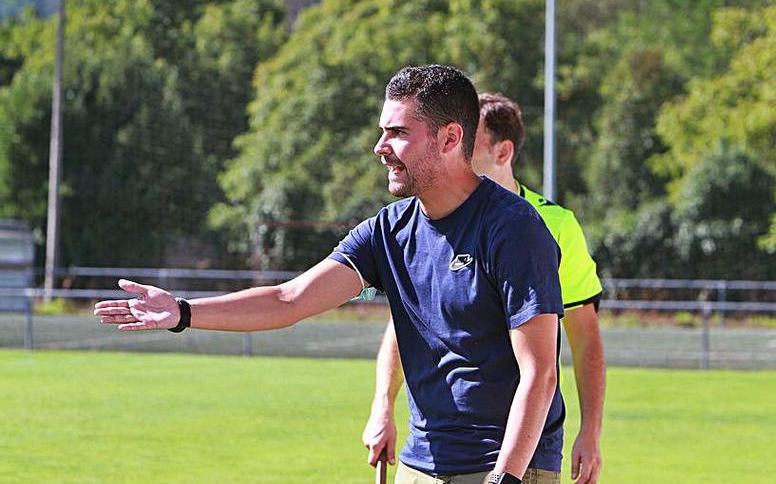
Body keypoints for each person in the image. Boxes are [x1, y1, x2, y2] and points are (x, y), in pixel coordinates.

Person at [94, 65, 565, 484]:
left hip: (507, 466)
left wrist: (506, 479)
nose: (380, 148)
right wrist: (182, 311)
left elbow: (539, 371)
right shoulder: (388, 231)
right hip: (422, 463)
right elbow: (289, 300)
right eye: (382, 131)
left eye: (398, 133)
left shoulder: (514, 229)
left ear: (449, 138)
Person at [362, 93, 606, 484]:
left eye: (467, 143)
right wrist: (383, 406)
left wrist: (590, 431)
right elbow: (409, 320)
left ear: (503, 152)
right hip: (434, 453)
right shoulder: (431, 215)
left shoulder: (553, 225)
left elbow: (585, 339)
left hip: (519, 455)